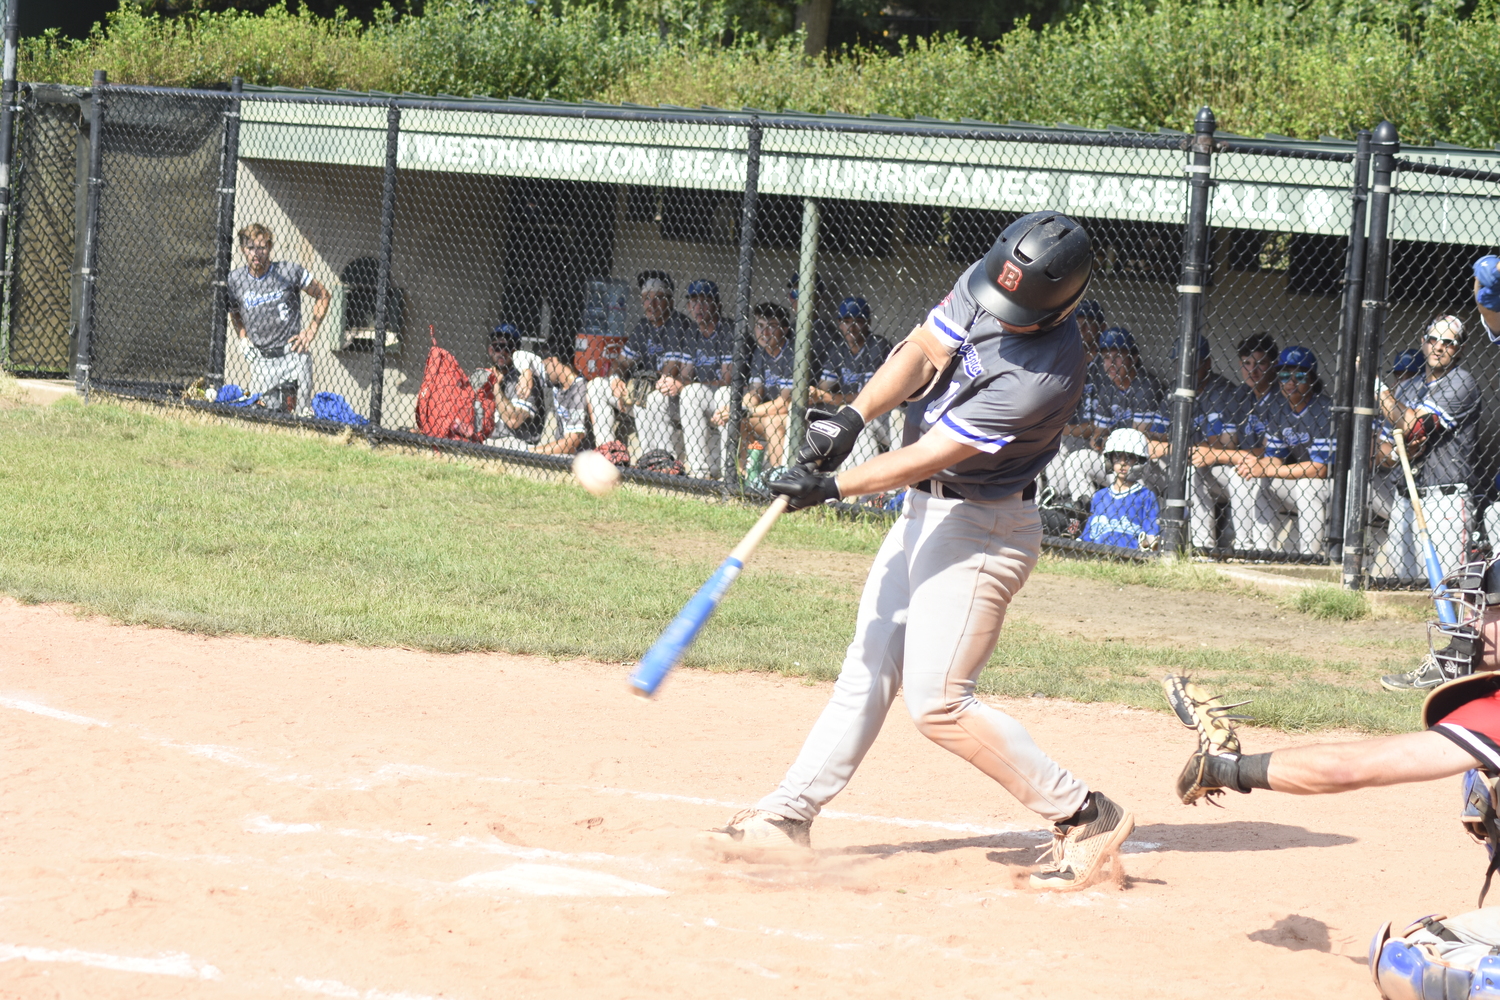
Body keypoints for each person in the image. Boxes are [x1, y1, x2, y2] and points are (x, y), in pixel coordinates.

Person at [701, 212, 1136, 893]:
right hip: (926, 512)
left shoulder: (1045, 376)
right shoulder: (992, 281)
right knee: (868, 665)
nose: (1004, 309)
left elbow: (934, 453)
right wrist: (853, 417)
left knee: (938, 703)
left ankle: (1085, 813)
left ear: (1062, 304)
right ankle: (787, 815)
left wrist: (833, 484)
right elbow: (924, 350)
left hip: (982, 529)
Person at [1369, 315, 1480, 590]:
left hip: (1446, 500)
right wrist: (1399, 453)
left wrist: (1376, 388)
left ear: (1460, 349)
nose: (1439, 347)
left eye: (1448, 342)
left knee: (1449, 590)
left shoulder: (1461, 382)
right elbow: (1380, 452)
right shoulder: (1408, 387)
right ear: (1423, 343)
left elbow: (1413, 425)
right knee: (1407, 588)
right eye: (1433, 340)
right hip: (1405, 497)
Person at [1217, 346, 1334, 557]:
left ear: (1312, 379)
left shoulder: (1324, 409)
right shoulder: (1280, 408)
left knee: (1309, 485)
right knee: (1249, 475)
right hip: (1297, 479)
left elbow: (1320, 469)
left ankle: (1310, 558)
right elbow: (1274, 459)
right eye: (1284, 375)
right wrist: (1255, 466)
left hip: (1336, 484)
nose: (1291, 381)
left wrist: (1267, 470)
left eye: (1299, 375)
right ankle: (1259, 552)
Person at [1044, 326, 1167, 506]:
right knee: (1077, 460)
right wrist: (1102, 439)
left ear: (1133, 358)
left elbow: (1137, 440)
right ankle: (1088, 514)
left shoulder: (1145, 387)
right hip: (1115, 456)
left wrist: (1108, 440)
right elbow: (1098, 434)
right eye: (1107, 358)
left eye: (1117, 357)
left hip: (1144, 464)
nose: (1111, 364)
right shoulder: (1108, 387)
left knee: (1130, 459)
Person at [1161, 334, 1256, 551]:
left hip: (1225, 468)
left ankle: (1232, 547)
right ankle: (1199, 546)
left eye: (1191, 364)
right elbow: (1157, 437)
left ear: (1207, 363)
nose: (1184, 370)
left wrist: (1179, 447)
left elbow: (1226, 445)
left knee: (1201, 470)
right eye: (1179, 363)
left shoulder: (1222, 391)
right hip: (1191, 460)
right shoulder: (1173, 390)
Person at [225, 223, 330, 417]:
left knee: (300, 416)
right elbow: (234, 312)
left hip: (293, 355)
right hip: (262, 359)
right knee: (263, 416)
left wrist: (311, 330)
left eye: (262, 247)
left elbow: (323, 294)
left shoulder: (289, 271)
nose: (256, 253)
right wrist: (243, 339)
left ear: (270, 247)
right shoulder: (235, 280)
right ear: (242, 249)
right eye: (250, 248)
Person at [585, 270, 693, 457]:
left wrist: (643, 382)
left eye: (658, 298)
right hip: (644, 393)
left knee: (646, 394)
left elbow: (671, 370)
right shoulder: (643, 326)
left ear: (670, 301)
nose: (651, 304)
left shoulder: (677, 324)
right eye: (646, 298)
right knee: (596, 386)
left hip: (673, 399)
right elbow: (621, 362)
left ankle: (657, 458)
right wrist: (617, 378)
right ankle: (608, 452)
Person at [811, 297, 892, 469]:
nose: (852, 327)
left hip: (885, 416)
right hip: (855, 413)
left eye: (858, 321)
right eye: (846, 321)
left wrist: (827, 397)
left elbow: (869, 397)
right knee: (847, 417)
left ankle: (868, 487)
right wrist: (815, 394)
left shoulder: (878, 346)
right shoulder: (838, 349)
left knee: (852, 417)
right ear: (839, 324)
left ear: (868, 323)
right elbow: (823, 388)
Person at [484, 324, 589, 455]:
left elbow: (513, 420)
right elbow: (522, 356)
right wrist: (526, 371)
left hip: (517, 443)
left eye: (508, 347)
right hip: (494, 439)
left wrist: (531, 452)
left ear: (552, 360)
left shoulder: (579, 389)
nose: (541, 370)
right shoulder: (558, 385)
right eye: (497, 347)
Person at [719, 303, 796, 468]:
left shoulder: (792, 353)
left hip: (794, 415)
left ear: (785, 329)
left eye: (772, 327)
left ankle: (777, 477)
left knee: (772, 423)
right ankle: (743, 475)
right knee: (736, 420)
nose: (765, 332)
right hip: (768, 413)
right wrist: (734, 409)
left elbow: (785, 403)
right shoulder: (760, 352)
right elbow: (755, 392)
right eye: (760, 326)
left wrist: (746, 411)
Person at [677, 280, 736, 479]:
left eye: (704, 301)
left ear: (717, 306)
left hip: (727, 395)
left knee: (723, 394)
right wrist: (678, 383)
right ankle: (699, 471)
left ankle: (730, 471)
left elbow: (727, 379)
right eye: (694, 301)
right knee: (689, 392)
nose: (698, 307)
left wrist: (688, 383)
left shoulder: (729, 331)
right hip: (705, 393)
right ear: (688, 306)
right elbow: (685, 376)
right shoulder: (692, 333)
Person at [1080, 428, 1161, 551]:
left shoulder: (1145, 496)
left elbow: (1152, 533)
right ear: (1109, 459)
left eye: (1129, 458)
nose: (1122, 463)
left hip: (1130, 553)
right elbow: (1088, 533)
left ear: (1139, 460)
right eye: (1117, 457)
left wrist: (1148, 541)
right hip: (1097, 552)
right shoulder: (1099, 496)